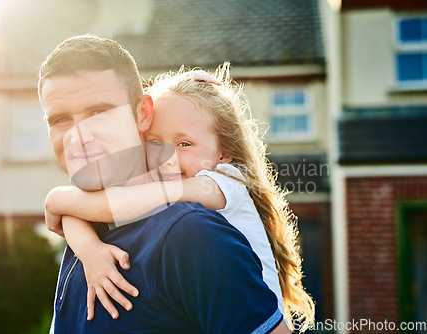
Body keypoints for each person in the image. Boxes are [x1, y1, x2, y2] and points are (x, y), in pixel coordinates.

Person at [39, 34, 290, 333]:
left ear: (142, 114)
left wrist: (57, 199)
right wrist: (88, 247)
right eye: (61, 119)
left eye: (98, 112)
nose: (80, 137)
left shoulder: (192, 228)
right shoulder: (89, 234)